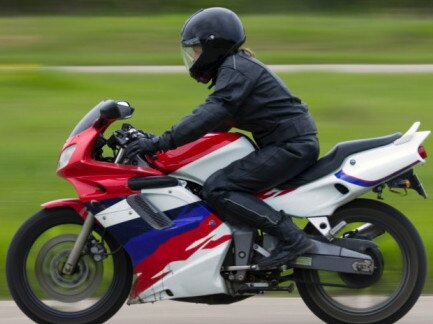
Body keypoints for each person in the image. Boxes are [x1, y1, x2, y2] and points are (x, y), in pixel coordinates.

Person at [125, 7, 319, 268]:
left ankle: (292, 239)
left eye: (197, 50)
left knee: (218, 187)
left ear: (214, 46)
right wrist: (161, 145)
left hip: (291, 146)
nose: (194, 57)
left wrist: (160, 142)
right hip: (288, 143)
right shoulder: (236, 68)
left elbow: (210, 113)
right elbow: (212, 125)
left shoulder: (237, 69)